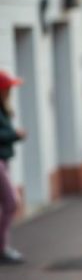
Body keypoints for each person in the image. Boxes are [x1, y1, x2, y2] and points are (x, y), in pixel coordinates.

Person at [0, 70, 25, 264]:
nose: (11, 91)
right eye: (8, 88)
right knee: (12, 202)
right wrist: (15, 135)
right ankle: (2, 248)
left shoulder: (4, 108)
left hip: (4, 160)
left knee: (8, 203)